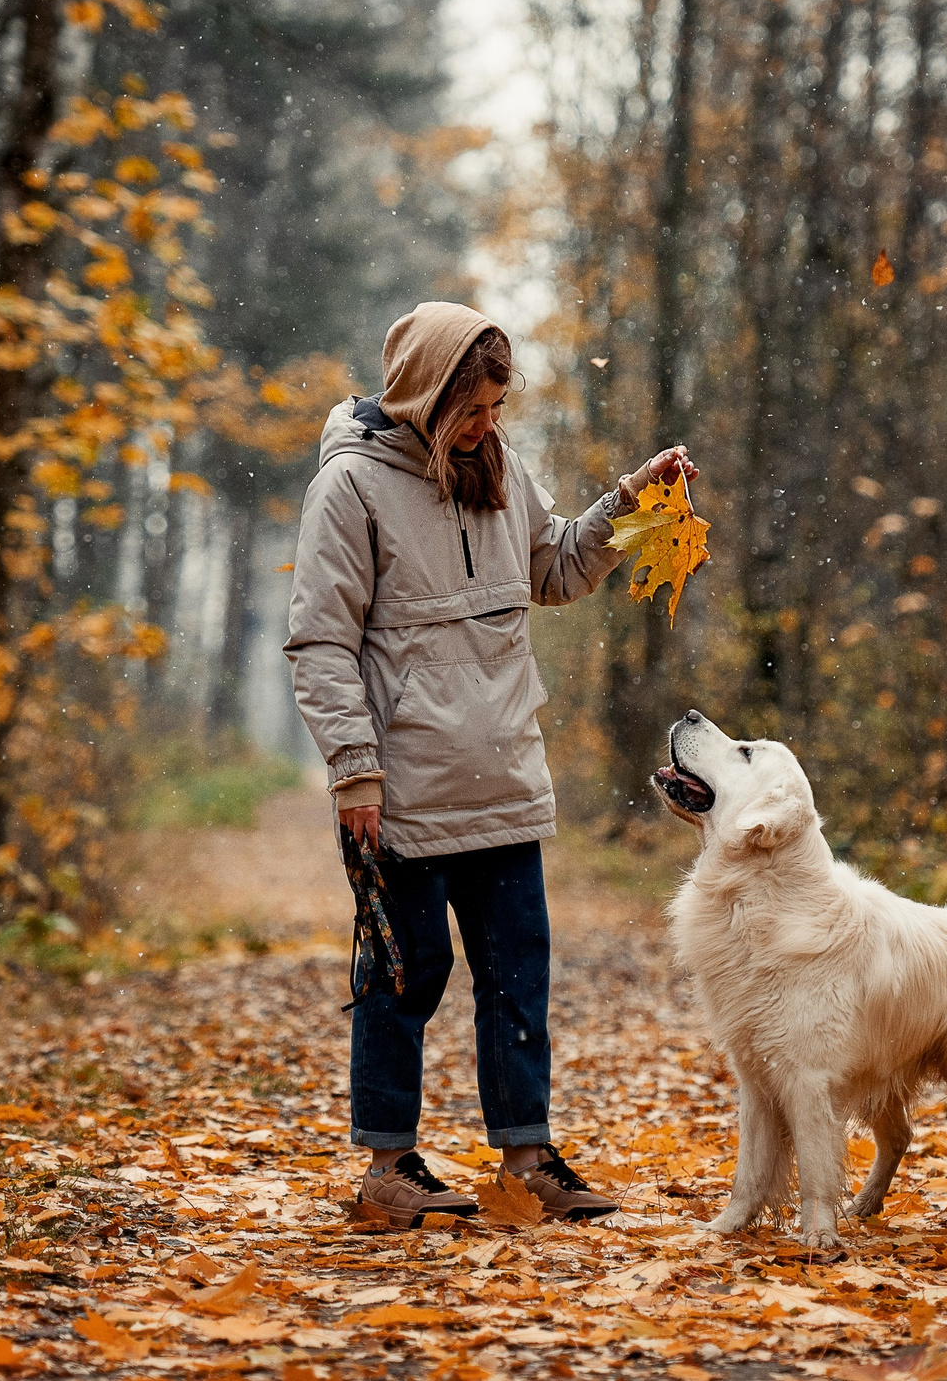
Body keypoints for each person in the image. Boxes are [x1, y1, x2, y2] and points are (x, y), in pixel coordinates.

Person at [283, 301, 696, 1227]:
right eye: (472, 406)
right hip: (403, 793)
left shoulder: (501, 468)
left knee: (520, 976)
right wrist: (354, 768)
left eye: (496, 407)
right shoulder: (350, 488)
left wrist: (630, 498)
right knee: (402, 974)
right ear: (426, 393)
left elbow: (556, 569)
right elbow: (319, 641)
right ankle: (387, 1168)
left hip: (506, 777)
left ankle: (528, 1157)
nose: (486, 425)